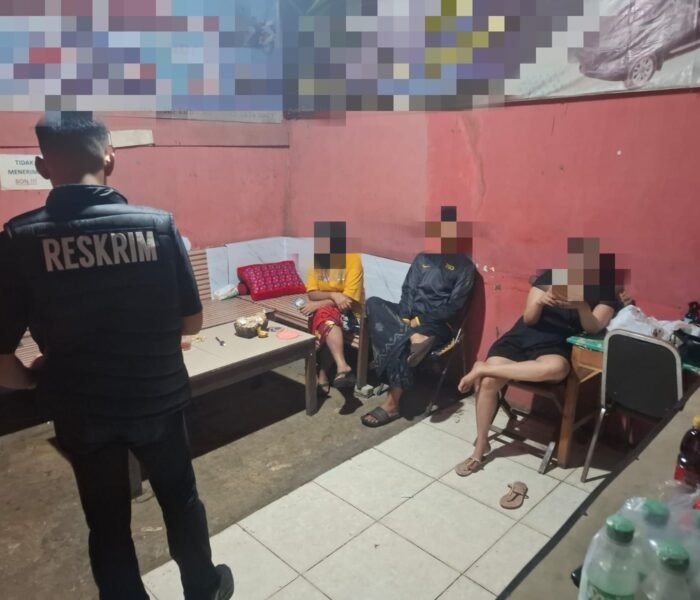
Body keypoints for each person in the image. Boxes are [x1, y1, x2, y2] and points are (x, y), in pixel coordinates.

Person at [0, 113, 233, 600]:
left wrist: (35, 380)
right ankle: (204, 588)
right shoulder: (157, 226)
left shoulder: (20, 238)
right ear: (110, 157)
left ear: (43, 167)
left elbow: (2, 355)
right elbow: (192, 322)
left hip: (82, 409)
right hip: (159, 399)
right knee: (181, 500)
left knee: (105, 521)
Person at [454, 237, 624, 476]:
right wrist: (541, 302)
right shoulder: (551, 277)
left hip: (555, 345)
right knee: (490, 383)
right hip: (523, 337)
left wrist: (581, 306)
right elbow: (529, 319)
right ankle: (480, 445)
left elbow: (594, 326)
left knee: (557, 369)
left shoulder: (605, 293)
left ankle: (482, 368)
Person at [361, 206, 476, 427]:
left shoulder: (465, 267)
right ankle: (413, 337)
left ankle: (392, 405)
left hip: (436, 326)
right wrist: (405, 318)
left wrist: (420, 321)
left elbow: (455, 306)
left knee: (400, 342)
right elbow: (408, 290)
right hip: (409, 321)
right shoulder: (423, 258)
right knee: (374, 302)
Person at [300, 221, 364, 394]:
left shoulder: (353, 260)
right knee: (326, 318)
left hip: (351, 312)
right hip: (329, 310)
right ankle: (340, 367)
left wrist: (318, 303)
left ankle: (322, 373)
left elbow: (348, 299)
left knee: (323, 315)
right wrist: (333, 295)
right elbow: (312, 293)